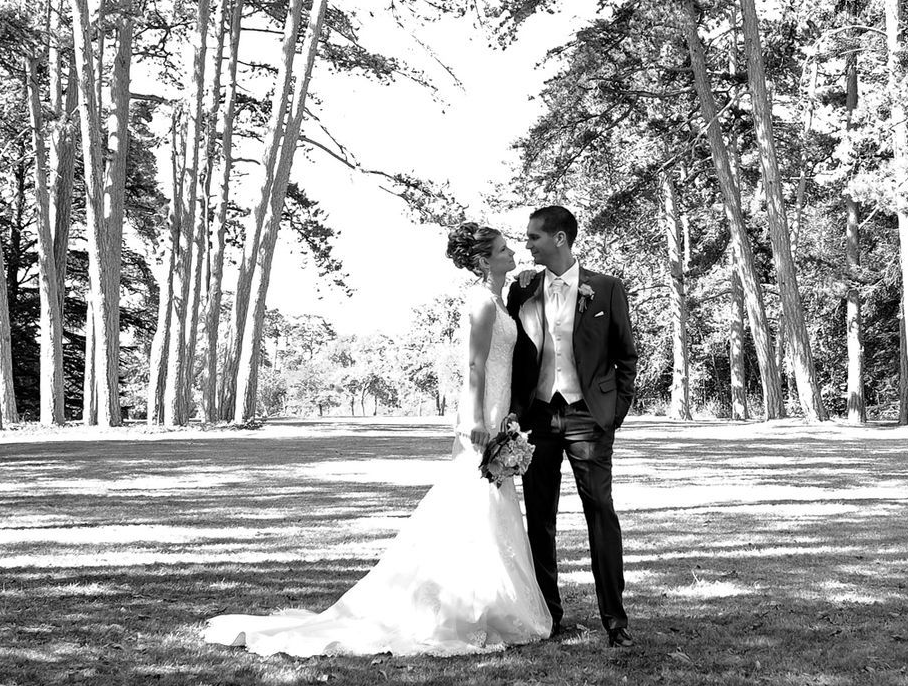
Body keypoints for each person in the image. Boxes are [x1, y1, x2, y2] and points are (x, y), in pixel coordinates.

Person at [202, 223, 551, 656]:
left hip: (502, 415)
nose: (511, 250)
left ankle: (486, 604)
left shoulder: (500, 298)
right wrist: (476, 419)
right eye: (503, 248)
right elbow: (475, 366)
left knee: (487, 507)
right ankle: (459, 608)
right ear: (484, 260)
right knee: (473, 506)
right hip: (482, 416)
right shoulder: (481, 302)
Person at [506, 204, 639, 647]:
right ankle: (549, 616)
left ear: (559, 238)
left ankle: (615, 621)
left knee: (600, 511)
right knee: (539, 519)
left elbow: (626, 357)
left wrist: (611, 415)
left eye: (534, 237)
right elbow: (515, 358)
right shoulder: (522, 289)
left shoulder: (606, 288)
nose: (527, 244)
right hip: (539, 416)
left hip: (588, 416)